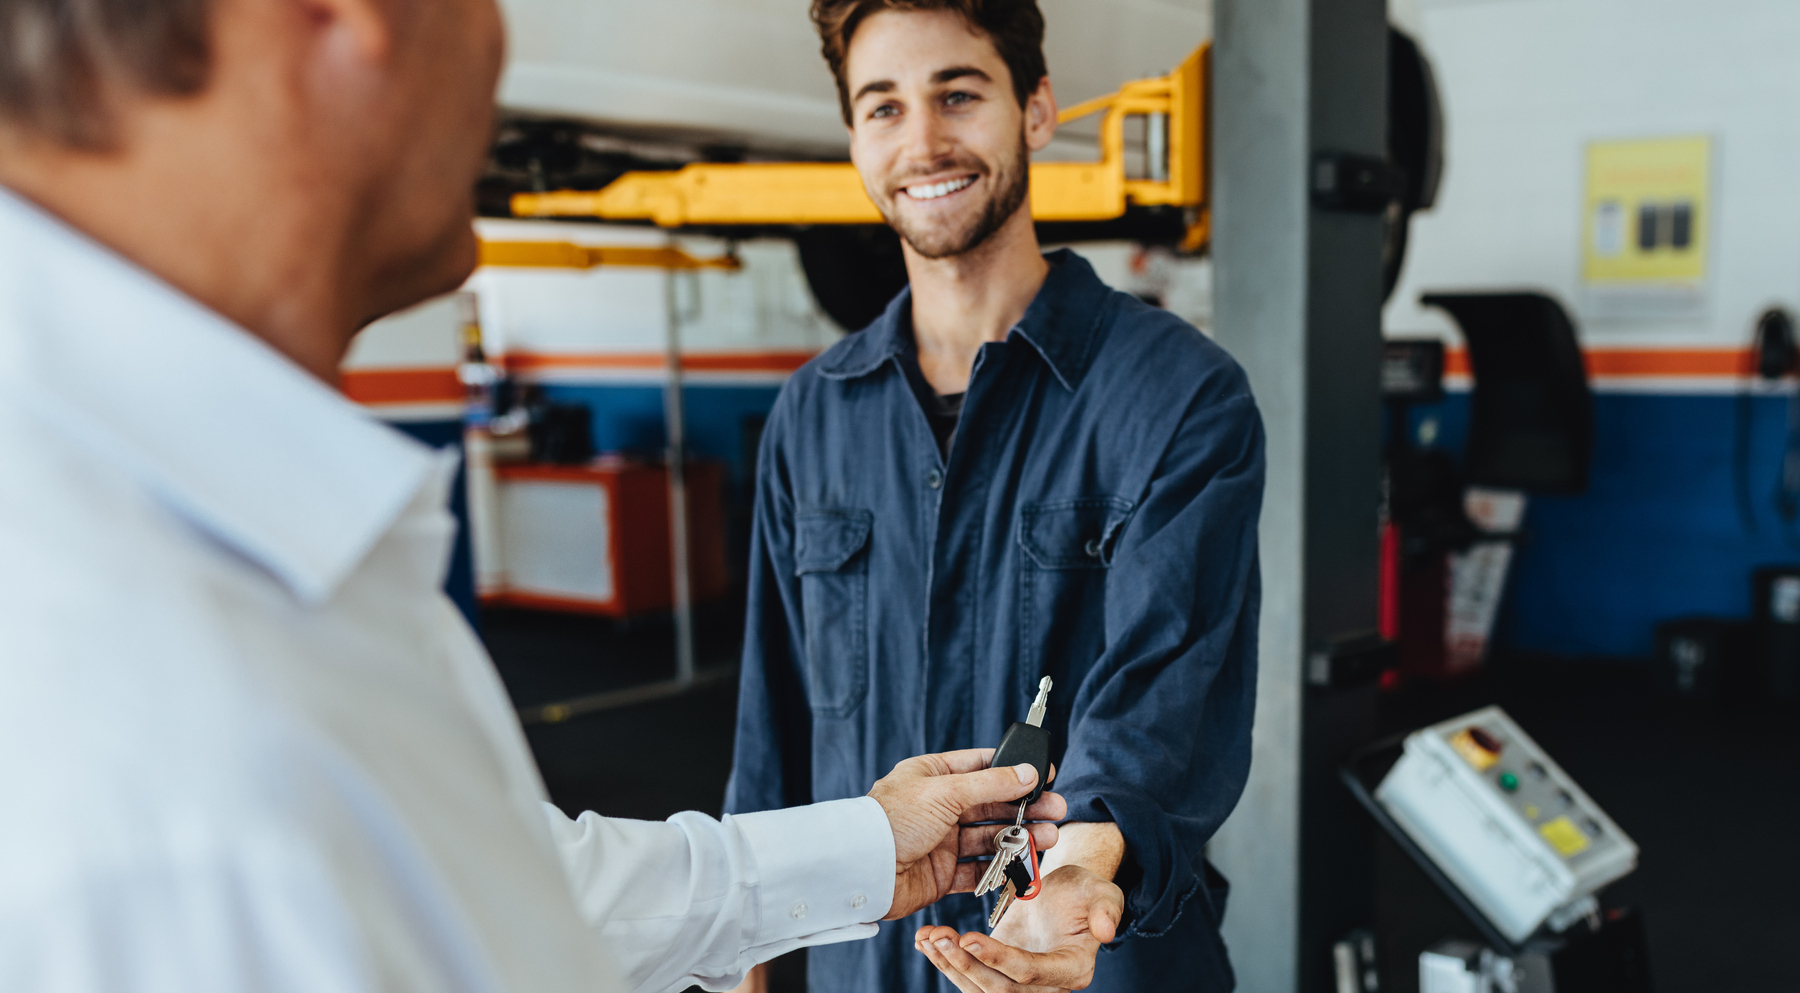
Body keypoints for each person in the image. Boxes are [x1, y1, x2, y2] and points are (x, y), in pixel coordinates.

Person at [0, 1, 1069, 991]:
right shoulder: (145, 724)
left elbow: (497, 881)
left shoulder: (206, 552)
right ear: (341, 17)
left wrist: (862, 845)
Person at [725, 2, 1264, 991]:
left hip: (1083, 959)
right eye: (883, 108)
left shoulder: (1179, 396)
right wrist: (745, 953)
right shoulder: (812, 414)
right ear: (854, 139)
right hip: (864, 966)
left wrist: (1076, 870)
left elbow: (1164, 697)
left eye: (958, 95)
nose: (923, 141)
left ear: (1037, 109)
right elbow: (775, 725)